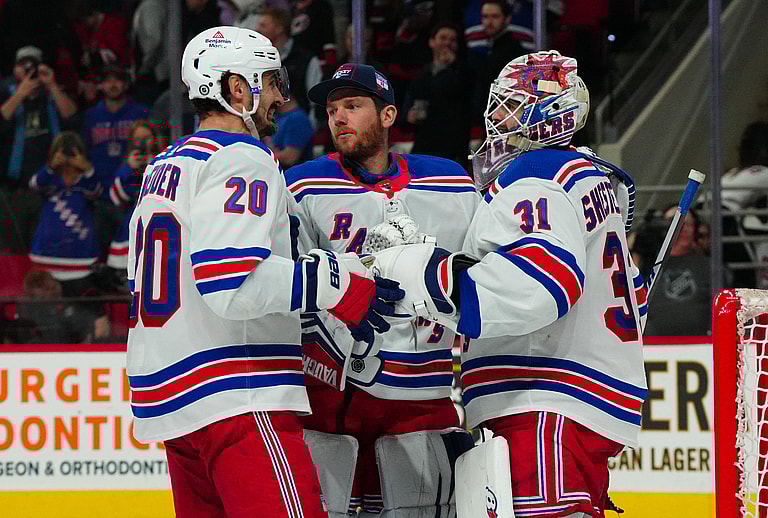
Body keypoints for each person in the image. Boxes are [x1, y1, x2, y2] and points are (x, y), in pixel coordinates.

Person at [126, 26, 403, 518]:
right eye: (271, 82)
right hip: (238, 396)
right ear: (238, 88)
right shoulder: (241, 157)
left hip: (175, 402)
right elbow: (228, 282)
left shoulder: (165, 163)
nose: (279, 96)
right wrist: (338, 286)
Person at [371, 51, 648, 517]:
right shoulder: (591, 178)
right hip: (582, 399)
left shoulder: (534, 176)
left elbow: (542, 283)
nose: (497, 116)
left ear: (546, 115)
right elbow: (632, 289)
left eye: (510, 104)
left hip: (543, 394)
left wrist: (422, 272)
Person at [285, 63, 480, 517]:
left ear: (388, 115)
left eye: (353, 106)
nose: (338, 118)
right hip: (334, 401)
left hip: (425, 399)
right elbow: (293, 286)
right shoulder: (304, 185)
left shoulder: (451, 183)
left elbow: (484, 272)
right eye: (332, 109)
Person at [28, 131, 103, 294]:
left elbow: (97, 192)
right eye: (63, 151)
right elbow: (33, 185)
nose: (68, 157)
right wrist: (50, 167)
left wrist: (87, 168)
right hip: (46, 257)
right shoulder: (49, 179)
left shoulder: (86, 180)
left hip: (81, 258)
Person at [106, 119, 168, 279]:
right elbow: (116, 198)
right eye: (138, 139)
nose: (142, 143)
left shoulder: (167, 160)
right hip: (130, 234)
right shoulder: (127, 166)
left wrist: (152, 162)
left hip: (159, 230)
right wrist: (129, 168)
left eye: (146, 138)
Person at [403, 22, 471, 164]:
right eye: (443, 38)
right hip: (424, 145)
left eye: (452, 40)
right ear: (432, 42)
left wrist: (450, 68)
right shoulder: (421, 75)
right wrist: (409, 116)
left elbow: (469, 102)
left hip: (453, 149)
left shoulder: (466, 73)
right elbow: (408, 104)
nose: (447, 43)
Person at [82, 65, 149, 181]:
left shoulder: (141, 113)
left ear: (126, 84)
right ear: (101, 86)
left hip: (132, 182)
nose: (113, 85)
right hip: (98, 184)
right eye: (108, 81)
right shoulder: (91, 115)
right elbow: (84, 150)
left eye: (117, 80)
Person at [265, 85, 315, 167]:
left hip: (293, 176)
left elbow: (290, 157)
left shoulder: (298, 118)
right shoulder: (275, 117)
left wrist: (260, 155)